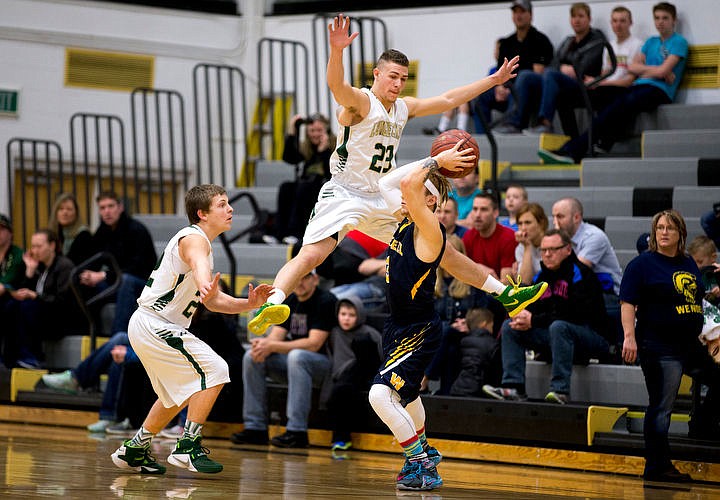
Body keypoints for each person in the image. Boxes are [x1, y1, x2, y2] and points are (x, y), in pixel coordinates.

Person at [247, 15, 546, 337]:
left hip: (379, 194)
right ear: (377, 74)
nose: (398, 83)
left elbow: (447, 99)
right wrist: (336, 52)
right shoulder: (361, 102)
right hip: (345, 192)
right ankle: (273, 300)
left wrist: (493, 80)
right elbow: (337, 86)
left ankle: (506, 294)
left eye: (403, 78)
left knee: (440, 247)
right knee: (313, 254)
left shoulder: (403, 107)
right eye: (392, 76)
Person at [110, 184, 274, 475]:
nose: (230, 208)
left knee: (175, 395)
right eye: (222, 204)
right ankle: (187, 446)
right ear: (202, 213)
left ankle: (135, 449)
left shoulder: (200, 243)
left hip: (148, 324)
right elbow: (200, 270)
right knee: (216, 369)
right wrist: (203, 282)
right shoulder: (194, 240)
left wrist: (249, 304)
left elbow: (214, 302)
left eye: (228, 203)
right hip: (155, 323)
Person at [368, 153, 454, 491]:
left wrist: (435, 163)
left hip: (419, 329)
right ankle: (423, 450)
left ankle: (422, 463)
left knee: (379, 395)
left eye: (416, 191)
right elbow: (386, 183)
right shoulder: (404, 219)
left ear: (429, 198)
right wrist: (431, 162)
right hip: (397, 324)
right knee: (407, 396)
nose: (404, 195)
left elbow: (404, 183)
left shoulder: (430, 228)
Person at [540, 2, 688, 163]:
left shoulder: (678, 42)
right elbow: (634, 66)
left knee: (619, 103)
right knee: (570, 97)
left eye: (665, 18)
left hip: (659, 90)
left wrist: (653, 70)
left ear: (673, 20)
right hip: (639, 86)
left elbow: (650, 71)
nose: (660, 22)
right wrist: (658, 70)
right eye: (657, 18)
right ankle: (576, 145)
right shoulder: (651, 41)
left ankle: (575, 149)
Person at [619, 209, 704, 483]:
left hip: (690, 344)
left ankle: (703, 426)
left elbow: (693, 296)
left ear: (681, 233)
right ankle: (657, 465)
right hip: (658, 346)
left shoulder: (688, 262)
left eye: (670, 228)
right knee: (661, 406)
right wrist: (629, 337)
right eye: (660, 228)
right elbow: (628, 302)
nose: (664, 232)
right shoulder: (642, 265)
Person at [483, 229, 613, 404]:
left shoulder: (581, 273)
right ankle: (513, 387)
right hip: (556, 335)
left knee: (559, 326)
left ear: (568, 249)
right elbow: (533, 310)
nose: (547, 254)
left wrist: (534, 320)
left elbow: (576, 313)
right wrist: (523, 317)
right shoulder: (541, 276)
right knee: (510, 326)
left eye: (553, 249)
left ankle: (560, 390)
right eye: (543, 250)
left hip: (591, 337)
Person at [231, 268, 337, 449]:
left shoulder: (326, 300)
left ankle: (297, 431)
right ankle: (255, 428)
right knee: (251, 356)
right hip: (296, 366)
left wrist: (272, 346)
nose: (301, 282)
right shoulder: (291, 300)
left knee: (297, 356)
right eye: (298, 277)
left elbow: (314, 343)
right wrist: (263, 345)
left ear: (316, 279)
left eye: (306, 277)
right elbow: (276, 338)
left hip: (326, 368)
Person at [496, 2, 605, 136]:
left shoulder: (597, 40)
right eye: (574, 16)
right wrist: (563, 68)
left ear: (589, 19)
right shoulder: (568, 41)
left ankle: (545, 123)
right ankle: (514, 123)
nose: (577, 20)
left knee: (550, 74)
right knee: (525, 75)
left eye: (581, 16)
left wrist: (571, 69)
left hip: (583, 82)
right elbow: (554, 63)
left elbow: (585, 66)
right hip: (560, 80)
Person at [78, 191, 157, 337]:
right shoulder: (103, 231)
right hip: (117, 282)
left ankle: (118, 337)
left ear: (120, 207)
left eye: (110, 206)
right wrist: (89, 275)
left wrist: (103, 275)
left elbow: (137, 267)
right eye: (102, 208)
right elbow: (95, 259)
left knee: (126, 281)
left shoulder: (136, 230)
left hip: (144, 284)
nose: (106, 211)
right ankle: (93, 334)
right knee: (86, 285)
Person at [4, 229, 83, 368]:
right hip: (41, 315)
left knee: (25, 306)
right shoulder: (39, 266)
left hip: (60, 320)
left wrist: (35, 296)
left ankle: (32, 356)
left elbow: (62, 302)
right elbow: (25, 292)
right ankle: (9, 358)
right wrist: (29, 271)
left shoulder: (64, 266)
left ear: (52, 246)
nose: (35, 250)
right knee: (12, 305)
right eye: (33, 246)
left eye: (39, 246)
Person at [423, 235, 492, 395]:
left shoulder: (472, 281)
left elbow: (483, 312)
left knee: (448, 334)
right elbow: (426, 313)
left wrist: (468, 323)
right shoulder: (430, 281)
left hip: (466, 333)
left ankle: (426, 377)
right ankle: (447, 393)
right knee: (450, 344)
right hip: (441, 335)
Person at [472, 0, 554, 134]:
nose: (518, 15)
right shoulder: (506, 43)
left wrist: (512, 88)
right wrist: (499, 88)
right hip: (508, 90)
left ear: (531, 15)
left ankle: (513, 124)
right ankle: (482, 138)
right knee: (480, 94)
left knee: (524, 76)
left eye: (522, 11)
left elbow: (538, 73)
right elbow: (499, 72)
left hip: (531, 92)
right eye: (515, 12)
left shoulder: (541, 40)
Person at [551, 197, 622, 341]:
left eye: (560, 217)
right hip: (582, 292)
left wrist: (557, 239)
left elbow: (574, 271)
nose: (555, 223)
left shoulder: (594, 237)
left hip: (609, 295)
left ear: (576, 217)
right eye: (553, 217)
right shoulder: (563, 238)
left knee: (562, 309)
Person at [325, 295, 382, 451]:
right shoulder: (334, 332)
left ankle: (340, 439)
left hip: (364, 372)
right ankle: (341, 439)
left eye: (351, 315)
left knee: (362, 341)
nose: (346, 319)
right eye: (343, 314)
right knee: (339, 392)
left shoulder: (370, 333)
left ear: (359, 316)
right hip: (343, 376)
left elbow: (380, 358)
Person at [268, 113, 336, 245]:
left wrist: (323, 152)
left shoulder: (334, 146)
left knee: (304, 188)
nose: (315, 134)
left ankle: (297, 233)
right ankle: (280, 233)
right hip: (306, 185)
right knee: (286, 187)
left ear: (326, 130)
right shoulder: (307, 146)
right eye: (312, 131)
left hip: (325, 186)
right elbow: (289, 158)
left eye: (319, 130)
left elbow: (330, 173)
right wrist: (292, 132)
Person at [587, 6, 643, 113]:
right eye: (615, 21)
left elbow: (629, 81)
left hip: (623, 89)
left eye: (622, 21)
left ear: (630, 23)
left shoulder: (638, 45)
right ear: (611, 23)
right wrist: (595, 82)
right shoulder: (609, 46)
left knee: (601, 94)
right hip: (606, 88)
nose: (618, 25)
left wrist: (599, 84)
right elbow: (604, 74)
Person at [462, 192, 517, 283]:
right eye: (475, 209)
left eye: (483, 209)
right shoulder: (468, 236)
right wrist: (479, 269)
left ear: (495, 213)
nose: (477, 215)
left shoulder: (508, 237)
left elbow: (506, 283)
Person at [449, 307, 500, 397]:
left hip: (458, 387)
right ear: (484, 324)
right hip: (478, 390)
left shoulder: (463, 341)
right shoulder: (493, 344)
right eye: (492, 325)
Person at [47, 192, 94, 265]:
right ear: (56, 212)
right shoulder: (53, 234)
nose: (65, 212)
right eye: (61, 209)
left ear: (76, 213)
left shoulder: (83, 235)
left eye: (69, 209)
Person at [513, 202, 549, 285]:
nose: (523, 228)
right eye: (520, 223)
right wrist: (527, 246)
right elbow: (524, 283)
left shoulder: (554, 244)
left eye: (528, 223)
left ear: (541, 223)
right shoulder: (521, 247)